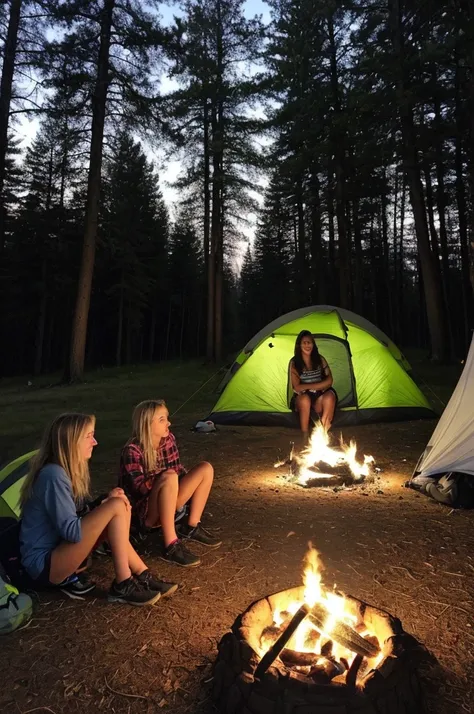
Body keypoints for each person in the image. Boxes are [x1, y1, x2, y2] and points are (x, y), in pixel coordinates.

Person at [20, 413, 177, 605]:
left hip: (58, 552)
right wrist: (105, 509)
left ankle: (142, 575)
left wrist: (102, 505)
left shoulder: (69, 471)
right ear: (72, 441)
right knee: (116, 505)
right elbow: (72, 532)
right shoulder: (53, 475)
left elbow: (81, 513)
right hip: (44, 565)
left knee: (117, 502)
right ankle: (123, 583)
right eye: (89, 436)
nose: (94, 442)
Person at [119, 400, 221, 569]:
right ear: (147, 424)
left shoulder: (168, 440)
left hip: (170, 500)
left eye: (166, 417)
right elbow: (138, 489)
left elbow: (176, 470)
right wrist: (163, 478)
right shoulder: (132, 450)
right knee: (169, 476)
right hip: (145, 512)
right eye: (162, 419)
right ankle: (170, 544)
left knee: (205, 469)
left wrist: (181, 483)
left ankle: (191, 525)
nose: (169, 423)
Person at [290, 330, 337, 442]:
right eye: (304, 343)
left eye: (309, 342)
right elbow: (297, 387)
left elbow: (330, 381)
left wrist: (308, 386)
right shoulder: (294, 363)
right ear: (299, 345)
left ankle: (323, 432)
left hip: (319, 398)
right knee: (305, 399)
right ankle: (305, 435)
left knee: (330, 396)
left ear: (313, 344)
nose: (307, 345)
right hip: (303, 399)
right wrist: (319, 385)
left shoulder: (320, 359)